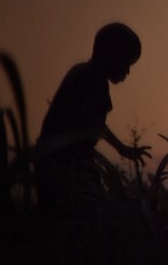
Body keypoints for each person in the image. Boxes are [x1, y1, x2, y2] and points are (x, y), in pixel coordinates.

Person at [35, 22, 151, 213]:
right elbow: (95, 126)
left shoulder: (83, 73)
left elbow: (94, 125)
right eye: (127, 62)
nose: (128, 71)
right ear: (111, 53)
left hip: (59, 162)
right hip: (66, 165)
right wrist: (122, 149)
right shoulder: (91, 77)